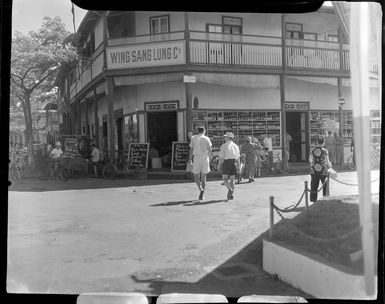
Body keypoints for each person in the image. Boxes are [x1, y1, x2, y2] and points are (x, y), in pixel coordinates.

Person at [188, 126, 212, 200]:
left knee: (196, 175)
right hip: (205, 157)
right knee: (203, 176)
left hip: (197, 158)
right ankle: (202, 193)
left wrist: (190, 159)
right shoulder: (206, 138)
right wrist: (208, 158)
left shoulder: (194, 137)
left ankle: (200, 188)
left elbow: (191, 149)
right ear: (204, 131)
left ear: (198, 131)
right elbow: (210, 149)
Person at [218, 132, 241, 200]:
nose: (224, 138)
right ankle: (231, 194)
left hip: (226, 162)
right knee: (232, 180)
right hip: (234, 163)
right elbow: (238, 158)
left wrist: (219, 165)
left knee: (225, 179)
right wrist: (239, 167)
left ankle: (230, 189)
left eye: (225, 137)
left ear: (228, 138)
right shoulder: (236, 146)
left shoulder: (224, 146)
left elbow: (221, 157)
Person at [309, 137, 332, 203]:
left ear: (317, 142)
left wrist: (313, 165)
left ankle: (313, 200)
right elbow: (327, 161)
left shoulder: (312, 150)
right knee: (325, 186)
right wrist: (330, 166)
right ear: (323, 142)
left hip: (314, 171)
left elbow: (310, 160)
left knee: (314, 185)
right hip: (323, 171)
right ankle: (325, 199)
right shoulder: (325, 151)